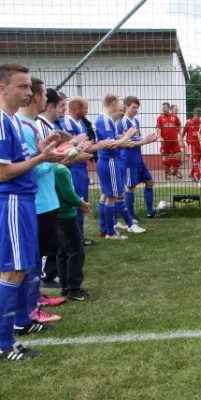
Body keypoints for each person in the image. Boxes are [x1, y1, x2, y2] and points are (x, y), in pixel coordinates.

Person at [0, 63, 65, 361]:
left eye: (29, 87)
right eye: (23, 86)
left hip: (23, 201)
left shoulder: (12, 121)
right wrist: (41, 158)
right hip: (12, 200)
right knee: (12, 269)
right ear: (3, 89)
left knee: (22, 267)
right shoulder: (2, 121)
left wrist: (39, 150)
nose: (30, 92)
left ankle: (22, 322)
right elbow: (2, 173)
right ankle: (3, 343)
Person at [96, 93, 144, 240]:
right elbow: (110, 144)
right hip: (110, 161)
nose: (121, 107)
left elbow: (112, 139)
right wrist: (127, 137)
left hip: (110, 160)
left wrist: (122, 139)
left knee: (107, 195)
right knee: (113, 196)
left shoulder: (107, 120)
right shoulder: (104, 120)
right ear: (112, 104)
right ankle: (111, 232)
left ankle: (106, 227)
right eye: (119, 104)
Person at [53, 131, 95, 301]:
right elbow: (69, 195)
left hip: (57, 214)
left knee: (62, 251)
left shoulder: (55, 168)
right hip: (66, 214)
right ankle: (74, 289)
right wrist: (81, 203)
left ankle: (65, 285)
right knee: (76, 251)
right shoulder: (61, 171)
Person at [36, 88, 63, 288]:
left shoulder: (46, 126)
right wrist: (67, 153)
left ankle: (49, 274)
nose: (62, 110)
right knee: (43, 239)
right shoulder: (39, 126)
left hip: (48, 191)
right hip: (40, 196)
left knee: (51, 234)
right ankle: (45, 275)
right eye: (60, 106)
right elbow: (41, 162)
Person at [60, 96, 95, 246]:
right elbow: (67, 147)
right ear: (77, 109)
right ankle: (75, 238)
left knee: (82, 203)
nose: (87, 111)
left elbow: (81, 145)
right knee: (76, 202)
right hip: (73, 167)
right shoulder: (67, 122)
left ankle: (79, 236)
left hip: (81, 167)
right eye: (85, 108)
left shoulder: (79, 123)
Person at [119, 96, 159, 221]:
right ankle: (131, 216)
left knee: (150, 181)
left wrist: (148, 139)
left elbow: (137, 140)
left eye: (137, 107)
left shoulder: (135, 121)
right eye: (133, 107)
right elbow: (129, 143)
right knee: (130, 187)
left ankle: (150, 211)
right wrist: (146, 141)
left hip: (138, 158)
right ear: (126, 107)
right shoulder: (124, 122)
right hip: (129, 159)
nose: (136, 110)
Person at [156, 102, 182, 179]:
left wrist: (179, 136)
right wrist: (159, 136)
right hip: (165, 141)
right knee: (165, 157)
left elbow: (179, 126)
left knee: (178, 155)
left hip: (174, 141)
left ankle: (175, 171)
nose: (163, 109)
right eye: (162, 107)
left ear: (169, 108)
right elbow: (158, 128)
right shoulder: (160, 118)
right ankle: (167, 173)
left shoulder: (174, 116)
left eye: (165, 107)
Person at [184, 107, 201, 182]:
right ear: (194, 115)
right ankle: (199, 179)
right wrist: (181, 142)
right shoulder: (189, 122)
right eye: (197, 115)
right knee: (195, 162)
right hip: (192, 145)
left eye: (199, 115)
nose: (198, 117)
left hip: (199, 144)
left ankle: (191, 174)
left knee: (197, 162)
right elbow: (183, 132)